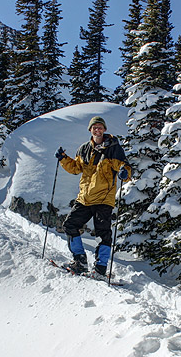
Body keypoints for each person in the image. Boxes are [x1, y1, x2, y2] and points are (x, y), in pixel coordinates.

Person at [55, 116, 131, 275]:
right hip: (85, 198)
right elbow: (76, 168)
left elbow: (123, 166)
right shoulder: (84, 149)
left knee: (103, 234)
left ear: (104, 129)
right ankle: (80, 261)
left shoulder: (113, 148)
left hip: (104, 199)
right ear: (90, 130)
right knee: (70, 225)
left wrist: (125, 172)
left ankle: (100, 268)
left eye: (100, 127)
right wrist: (63, 159)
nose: (97, 130)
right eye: (94, 127)